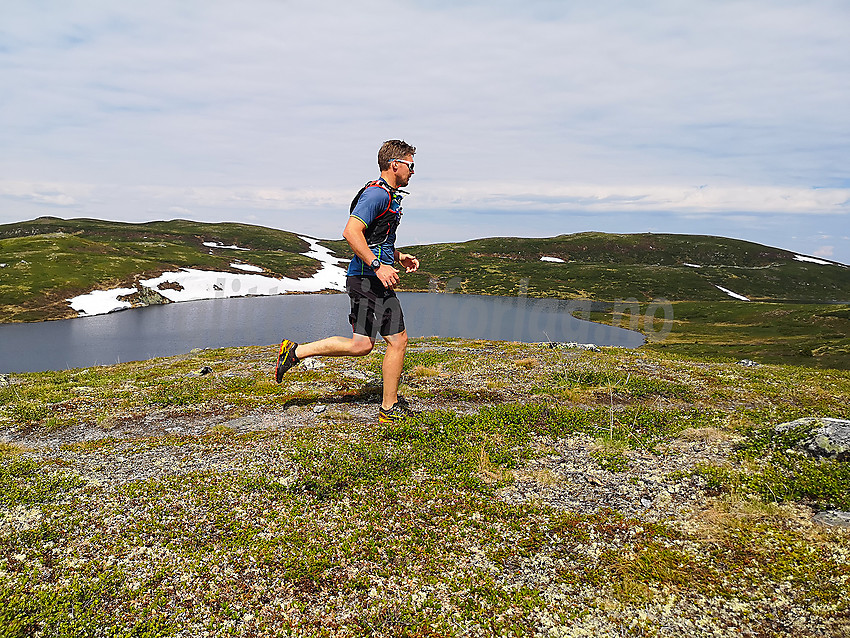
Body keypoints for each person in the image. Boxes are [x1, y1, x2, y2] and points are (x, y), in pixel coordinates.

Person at [275, 140, 420, 424]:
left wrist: (398, 256)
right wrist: (378, 266)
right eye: (410, 165)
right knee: (398, 341)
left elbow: (374, 238)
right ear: (395, 165)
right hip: (369, 279)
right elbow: (351, 232)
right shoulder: (376, 195)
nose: (413, 172)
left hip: (364, 278)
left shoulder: (387, 195)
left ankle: (294, 352)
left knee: (361, 345)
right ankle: (388, 410)